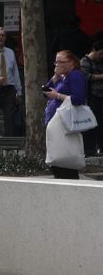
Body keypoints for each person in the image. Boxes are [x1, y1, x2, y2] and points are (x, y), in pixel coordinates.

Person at [43, 50, 88, 179]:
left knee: (63, 156)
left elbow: (78, 98)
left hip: (65, 122)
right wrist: (55, 78)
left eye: (61, 62)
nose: (57, 65)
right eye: (56, 62)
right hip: (56, 121)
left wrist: (57, 95)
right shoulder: (62, 77)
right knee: (56, 157)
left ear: (71, 63)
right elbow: (45, 92)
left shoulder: (75, 75)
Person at [80, 40, 103, 156]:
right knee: (91, 123)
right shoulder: (85, 61)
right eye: (101, 54)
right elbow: (85, 76)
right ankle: (89, 148)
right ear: (94, 50)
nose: (101, 57)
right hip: (91, 97)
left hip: (100, 96)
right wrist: (100, 76)